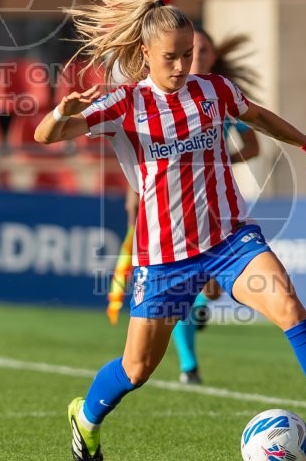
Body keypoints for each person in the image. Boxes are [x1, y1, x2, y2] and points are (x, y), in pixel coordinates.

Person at [35, 0, 306, 461]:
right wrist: (60, 113)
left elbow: (258, 117)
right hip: (164, 256)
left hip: (229, 238)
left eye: (188, 54)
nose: (183, 65)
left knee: (290, 308)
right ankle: (86, 417)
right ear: (145, 54)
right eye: (172, 57)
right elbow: (47, 137)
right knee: (137, 368)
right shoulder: (126, 102)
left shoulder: (213, 91)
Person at [108, 28, 262, 385]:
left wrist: (218, 160)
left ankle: (199, 309)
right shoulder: (158, 94)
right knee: (184, 286)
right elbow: (141, 150)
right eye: (195, 51)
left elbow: (253, 147)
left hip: (215, 199)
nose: (197, 58)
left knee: (211, 289)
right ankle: (189, 366)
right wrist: (136, 195)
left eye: (201, 52)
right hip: (167, 201)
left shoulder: (220, 93)